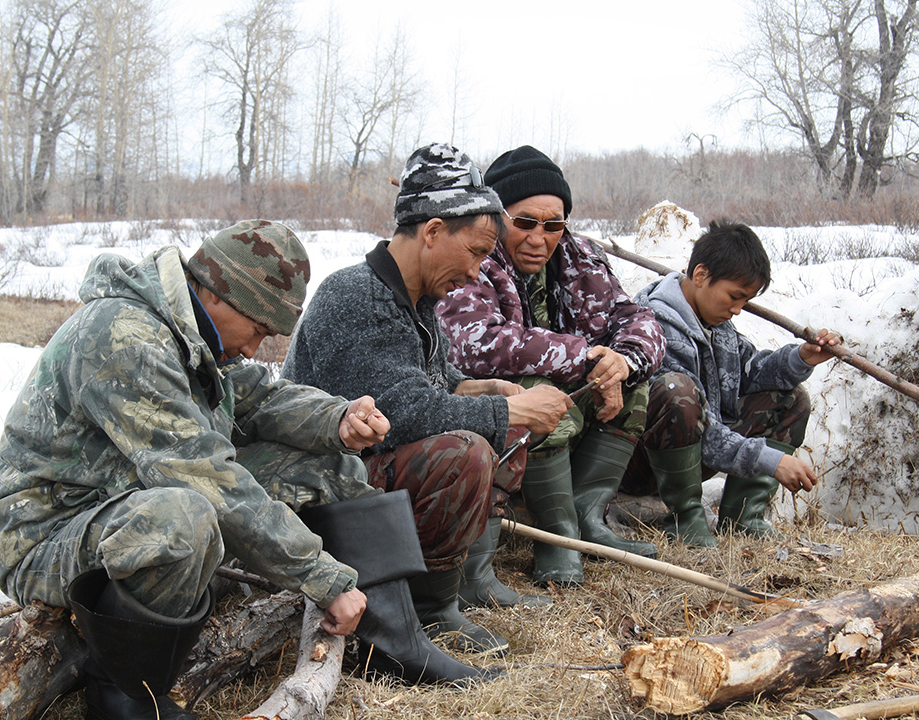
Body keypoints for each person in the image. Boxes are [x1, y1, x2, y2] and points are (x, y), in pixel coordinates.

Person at [0, 221, 494, 720]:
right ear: (218, 293)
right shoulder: (125, 337)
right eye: (258, 329)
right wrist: (323, 578)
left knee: (324, 464)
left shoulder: (190, 329)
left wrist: (337, 419)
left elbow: (261, 394)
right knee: (184, 514)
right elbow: (207, 479)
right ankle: (125, 696)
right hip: (48, 536)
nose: (254, 348)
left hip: (122, 501)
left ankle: (392, 641)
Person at [284, 144, 572, 657]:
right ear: (434, 231)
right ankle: (425, 613)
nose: (476, 273)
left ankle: (464, 582)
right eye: (478, 252)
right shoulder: (355, 296)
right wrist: (509, 410)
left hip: (363, 480)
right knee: (464, 450)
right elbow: (400, 414)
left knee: (497, 421)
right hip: (319, 495)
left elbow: (429, 381)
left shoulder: (415, 296)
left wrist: (482, 388)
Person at [436, 145, 665, 588]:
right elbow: (474, 346)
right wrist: (585, 357)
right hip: (484, 420)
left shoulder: (579, 258)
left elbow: (638, 320)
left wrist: (621, 361)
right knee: (532, 386)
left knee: (637, 384)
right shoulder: (473, 258)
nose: (539, 238)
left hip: (567, 415)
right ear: (497, 217)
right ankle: (555, 537)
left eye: (553, 225)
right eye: (524, 223)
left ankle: (586, 518)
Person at [623, 220, 839, 547]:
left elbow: (751, 372)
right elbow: (703, 426)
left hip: (698, 452)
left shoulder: (716, 322)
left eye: (746, 301)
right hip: (641, 462)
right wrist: (771, 460)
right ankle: (686, 522)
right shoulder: (653, 324)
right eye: (734, 297)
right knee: (677, 391)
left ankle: (743, 519)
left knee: (791, 399)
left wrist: (802, 357)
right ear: (700, 275)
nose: (738, 310)